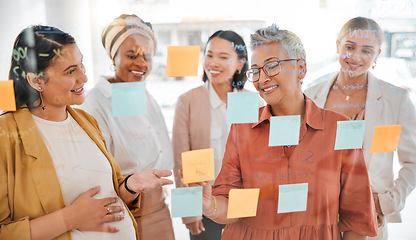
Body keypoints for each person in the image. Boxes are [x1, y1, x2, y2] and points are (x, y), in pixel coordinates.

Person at [193, 24, 378, 240]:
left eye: (272, 66)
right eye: (255, 70)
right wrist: (210, 205)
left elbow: (356, 218)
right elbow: (231, 206)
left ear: (301, 68)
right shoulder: (242, 129)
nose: (262, 79)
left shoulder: (341, 128)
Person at [0, 25, 173, 240]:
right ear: (36, 81)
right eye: (71, 71)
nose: (84, 77)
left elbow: (106, 196)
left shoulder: (85, 122)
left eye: (81, 64)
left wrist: (130, 185)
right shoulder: (6, 136)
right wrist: (68, 219)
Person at [304, 17, 416, 240]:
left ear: (377, 54)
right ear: (338, 45)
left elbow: (413, 161)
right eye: (350, 47)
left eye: (366, 50)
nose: (355, 57)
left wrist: (387, 201)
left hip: (368, 215)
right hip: (316, 215)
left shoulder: (396, 100)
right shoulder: (310, 96)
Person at [80, 14, 175, 240]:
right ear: (113, 57)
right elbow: (96, 177)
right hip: (124, 215)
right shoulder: (95, 103)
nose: (141, 63)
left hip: (160, 211)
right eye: (131, 55)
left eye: (148, 57)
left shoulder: (146, 98)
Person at [172, 30, 250, 240]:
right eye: (209, 55)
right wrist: (189, 213)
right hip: (205, 203)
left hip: (244, 200)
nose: (213, 63)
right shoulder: (188, 101)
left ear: (240, 63)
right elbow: (181, 160)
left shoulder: (252, 102)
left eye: (223, 57)